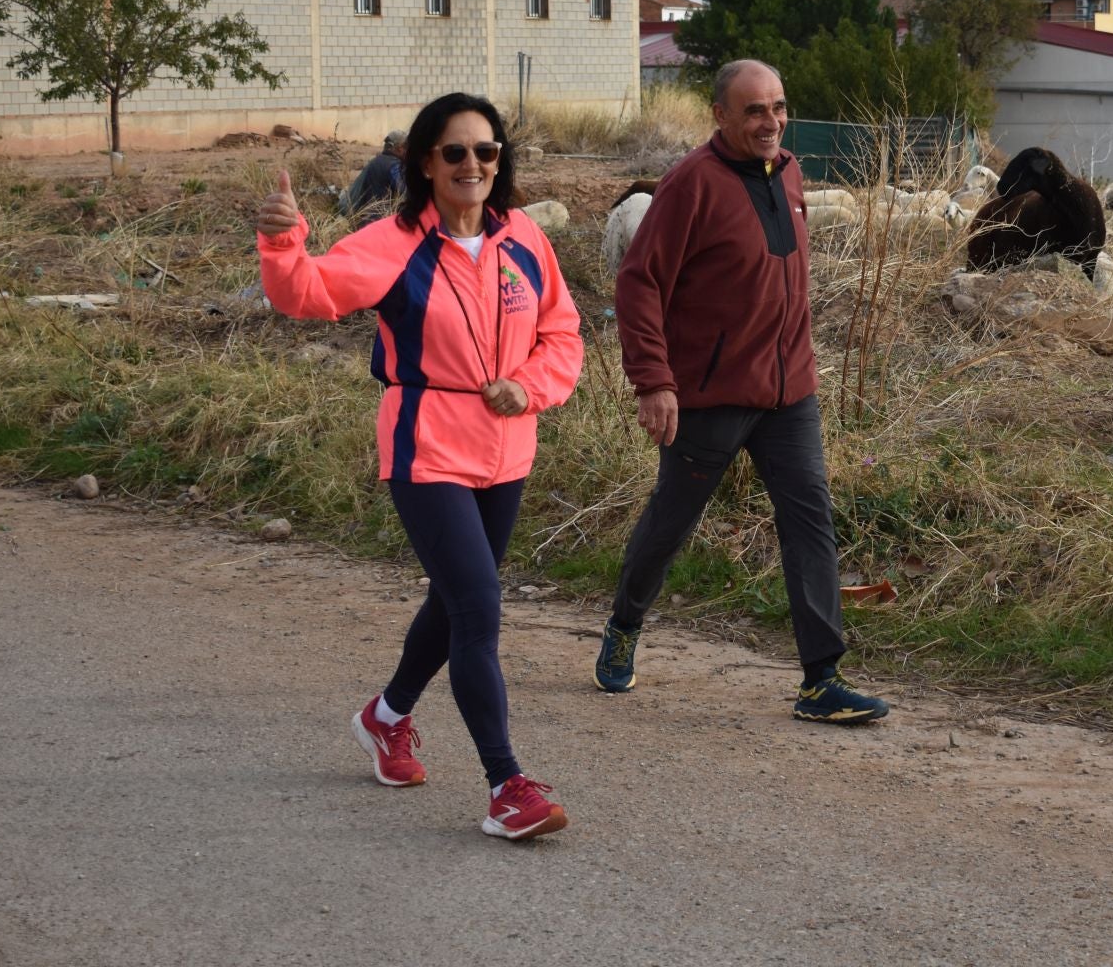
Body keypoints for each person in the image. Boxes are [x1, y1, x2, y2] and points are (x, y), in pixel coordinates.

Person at [255, 92, 584, 841]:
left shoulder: (524, 237)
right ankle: (508, 785)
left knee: (455, 602)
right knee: (478, 607)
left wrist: (528, 388)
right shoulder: (393, 242)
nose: (474, 164)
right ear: (425, 164)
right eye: (456, 152)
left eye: (487, 151)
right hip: (427, 445)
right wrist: (282, 245)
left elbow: (563, 334)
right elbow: (307, 293)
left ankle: (386, 717)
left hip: (508, 447)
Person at [594, 58, 889, 725]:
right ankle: (624, 623)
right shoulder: (689, 184)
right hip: (712, 395)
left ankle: (821, 679)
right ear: (721, 116)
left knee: (810, 517)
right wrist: (653, 382)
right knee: (672, 521)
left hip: (790, 393)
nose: (771, 121)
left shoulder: (788, 171)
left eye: (779, 107)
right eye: (754, 110)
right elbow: (639, 282)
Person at [339, 129, 407, 216]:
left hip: (351, 208)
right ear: (399, 149)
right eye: (406, 146)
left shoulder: (376, 161)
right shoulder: (393, 166)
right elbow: (405, 192)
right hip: (368, 217)